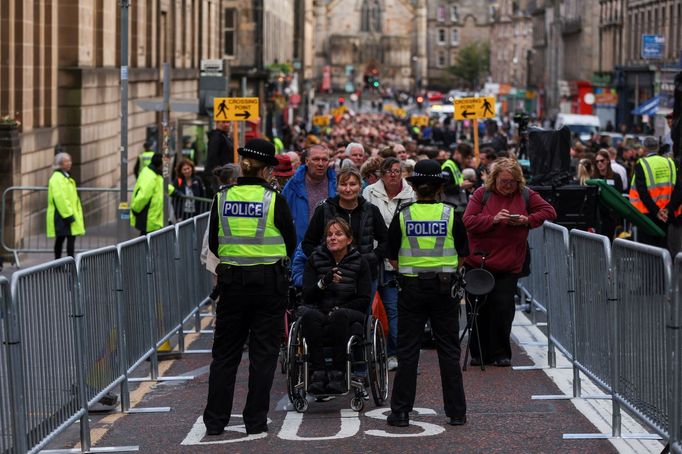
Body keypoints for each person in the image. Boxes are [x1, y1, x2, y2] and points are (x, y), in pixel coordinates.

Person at [203, 138, 296, 436]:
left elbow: (215, 244)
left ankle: (216, 421)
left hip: (232, 285)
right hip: (268, 286)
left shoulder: (222, 197)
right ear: (267, 170)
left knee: (225, 356)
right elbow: (290, 242)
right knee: (263, 355)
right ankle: (254, 421)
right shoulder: (273, 199)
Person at [385, 159, 469, 428]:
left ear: (415, 188)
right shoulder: (451, 214)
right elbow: (462, 256)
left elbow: (392, 257)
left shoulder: (403, 215)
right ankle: (456, 413)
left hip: (411, 289)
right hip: (444, 290)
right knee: (449, 351)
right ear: (438, 188)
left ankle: (400, 413)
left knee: (408, 352)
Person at [463, 158, 556, 367]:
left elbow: (549, 211)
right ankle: (479, 353)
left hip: (509, 264)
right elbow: (468, 221)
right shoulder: (481, 194)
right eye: (504, 181)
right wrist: (493, 220)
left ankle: (501, 353)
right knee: (478, 310)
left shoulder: (525, 194)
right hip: (479, 262)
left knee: (503, 309)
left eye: (512, 182)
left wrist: (527, 220)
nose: (508, 186)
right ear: (494, 179)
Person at [301, 217, 372, 394]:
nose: (332, 238)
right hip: (319, 310)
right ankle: (318, 373)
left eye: (338, 234)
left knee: (340, 315)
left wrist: (340, 309)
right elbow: (307, 296)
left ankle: (338, 373)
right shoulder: (314, 260)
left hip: (349, 313)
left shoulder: (360, 262)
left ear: (349, 239)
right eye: (329, 235)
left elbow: (364, 299)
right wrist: (323, 283)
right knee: (308, 316)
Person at [362, 157, 416, 371]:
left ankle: (395, 353)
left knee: (394, 309)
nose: (393, 175)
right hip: (373, 258)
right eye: (389, 171)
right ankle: (365, 353)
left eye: (397, 171)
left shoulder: (410, 194)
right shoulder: (369, 193)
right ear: (381, 174)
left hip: (397, 259)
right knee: (366, 307)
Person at [301, 167, 388, 293]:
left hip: (363, 274)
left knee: (362, 311)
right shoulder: (324, 209)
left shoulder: (371, 210)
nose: (348, 189)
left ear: (360, 186)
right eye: (343, 184)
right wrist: (322, 261)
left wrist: (371, 258)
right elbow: (308, 242)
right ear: (337, 187)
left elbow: (385, 240)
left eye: (352, 184)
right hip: (330, 275)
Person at [283, 145, 337, 244]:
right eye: (316, 159)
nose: (320, 164)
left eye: (324, 160)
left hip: (330, 248)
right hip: (299, 247)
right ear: (307, 161)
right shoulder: (293, 186)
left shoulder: (336, 186)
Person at [629, 136, 676, 247]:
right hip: (666, 215)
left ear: (644, 149)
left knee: (647, 253)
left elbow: (643, 192)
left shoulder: (642, 164)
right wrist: (667, 210)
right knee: (662, 250)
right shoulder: (670, 163)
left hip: (647, 216)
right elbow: (677, 189)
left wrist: (656, 211)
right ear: (658, 148)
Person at [47, 152, 85, 259]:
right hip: (62, 214)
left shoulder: (65, 177)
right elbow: (60, 198)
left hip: (66, 213)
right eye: (66, 161)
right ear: (60, 164)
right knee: (62, 239)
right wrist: (68, 214)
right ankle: (60, 262)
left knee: (68, 238)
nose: (69, 163)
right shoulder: (57, 178)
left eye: (70, 161)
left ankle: (67, 261)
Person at [130, 153, 169, 235]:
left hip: (152, 219)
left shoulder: (155, 174)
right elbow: (143, 196)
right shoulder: (151, 176)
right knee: (147, 242)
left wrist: (174, 191)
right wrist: (135, 209)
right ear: (160, 165)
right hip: (149, 219)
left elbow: (162, 185)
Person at [205, 121, 235, 194]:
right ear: (217, 123)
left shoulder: (224, 136)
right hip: (219, 177)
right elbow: (213, 157)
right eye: (223, 122)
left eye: (228, 122)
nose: (226, 124)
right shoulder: (217, 136)